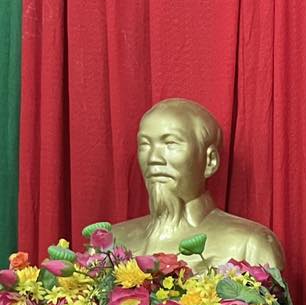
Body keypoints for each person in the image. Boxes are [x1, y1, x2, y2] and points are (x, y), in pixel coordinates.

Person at [112, 98, 285, 271]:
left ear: (210, 161)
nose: (153, 158)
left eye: (171, 143)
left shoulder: (250, 245)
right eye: (144, 145)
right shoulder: (111, 243)